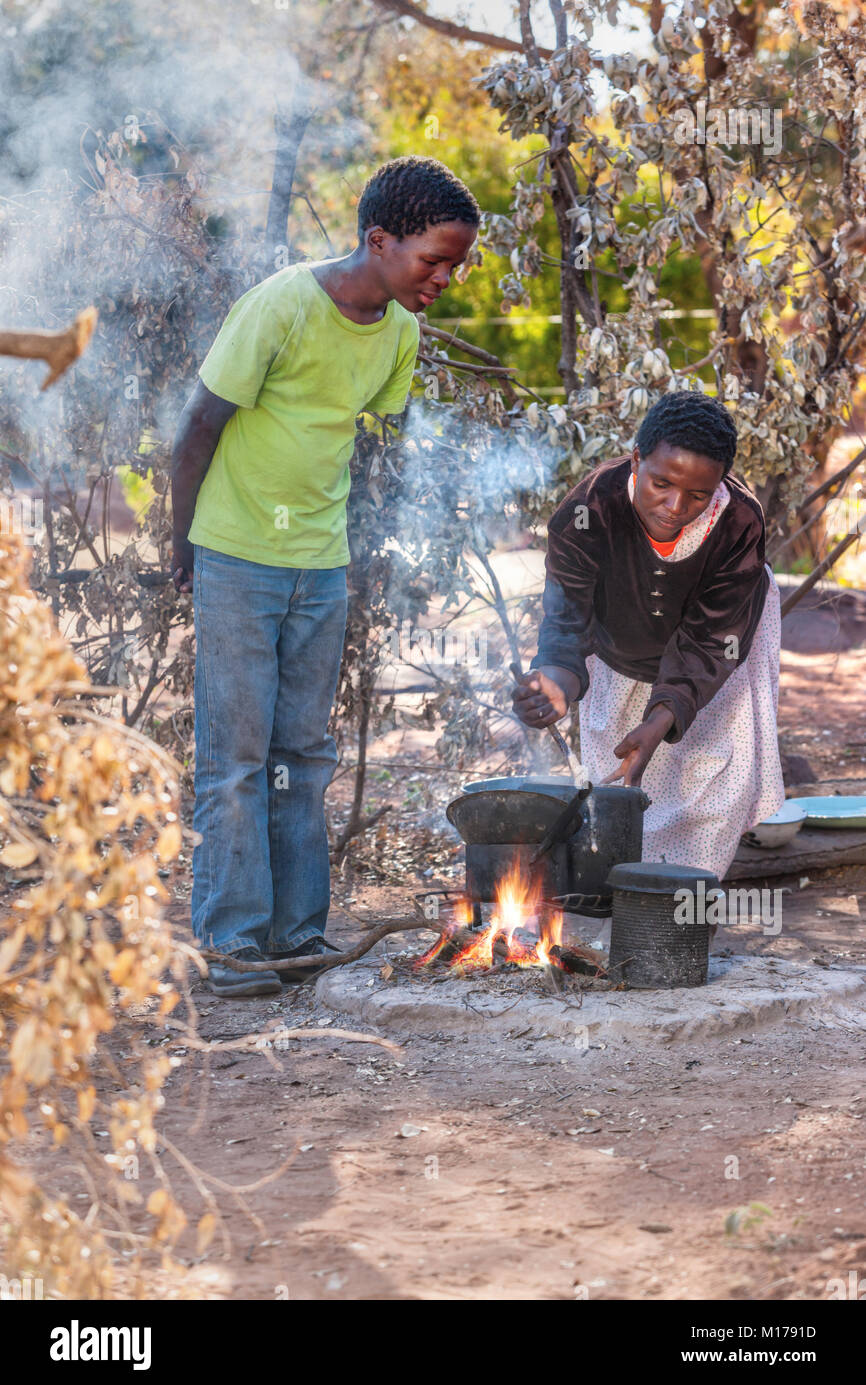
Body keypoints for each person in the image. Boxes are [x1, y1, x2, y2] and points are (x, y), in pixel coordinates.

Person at [171, 156, 480, 996]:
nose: (444, 278)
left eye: (456, 264)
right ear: (379, 240)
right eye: (433, 260)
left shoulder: (402, 334)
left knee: (301, 757)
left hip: (320, 567)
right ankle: (233, 948)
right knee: (235, 760)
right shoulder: (280, 305)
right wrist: (183, 550)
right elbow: (197, 428)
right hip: (237, 557)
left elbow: (356, 443)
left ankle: (298, 936)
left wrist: (356, 549)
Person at [511, 390, 785, 881]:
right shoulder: (588, 509)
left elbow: (709, 641)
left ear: (718, 485)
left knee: (710, 785)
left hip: (718, 652)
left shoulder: (739, 521)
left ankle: (681, 913)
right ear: (637, 458)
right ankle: (629, 907)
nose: (676, 505)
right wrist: (555, 685)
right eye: (661, 483)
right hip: (618, 648)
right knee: (619, 794)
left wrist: (660, 722)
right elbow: (567, 622)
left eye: (698, 494)